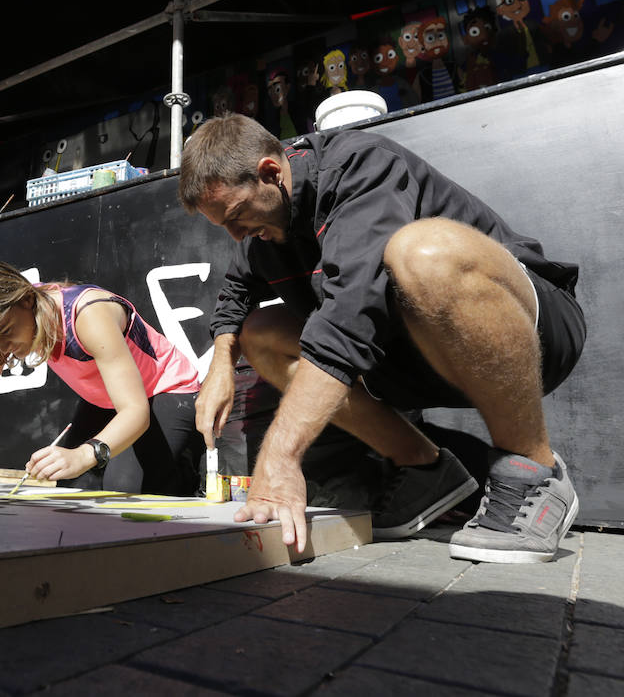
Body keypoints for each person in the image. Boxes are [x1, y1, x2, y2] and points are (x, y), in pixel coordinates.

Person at [177, 114, 585, 563]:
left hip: (533, 330)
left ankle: (533, 466)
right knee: (262, 333)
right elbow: (235, 294)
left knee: (423, 253)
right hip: (414, 356)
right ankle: (425, 469)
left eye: (237, 216)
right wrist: (219, 368)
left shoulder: (360, 165)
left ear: (271, 173)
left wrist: (280, 454)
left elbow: (349, 315)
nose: (235, 235)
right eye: (224, 228)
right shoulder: (261, 234)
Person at [0, 259, 202, 494]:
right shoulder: (5, 320)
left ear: (27, 300)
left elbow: (135, 412)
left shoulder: (87, 315)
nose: (3, 349)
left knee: (123, 489)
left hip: (165, 389)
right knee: (71, 487)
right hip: (109, 397)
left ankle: (187, 470)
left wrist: (84, 454)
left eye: (5, 333)